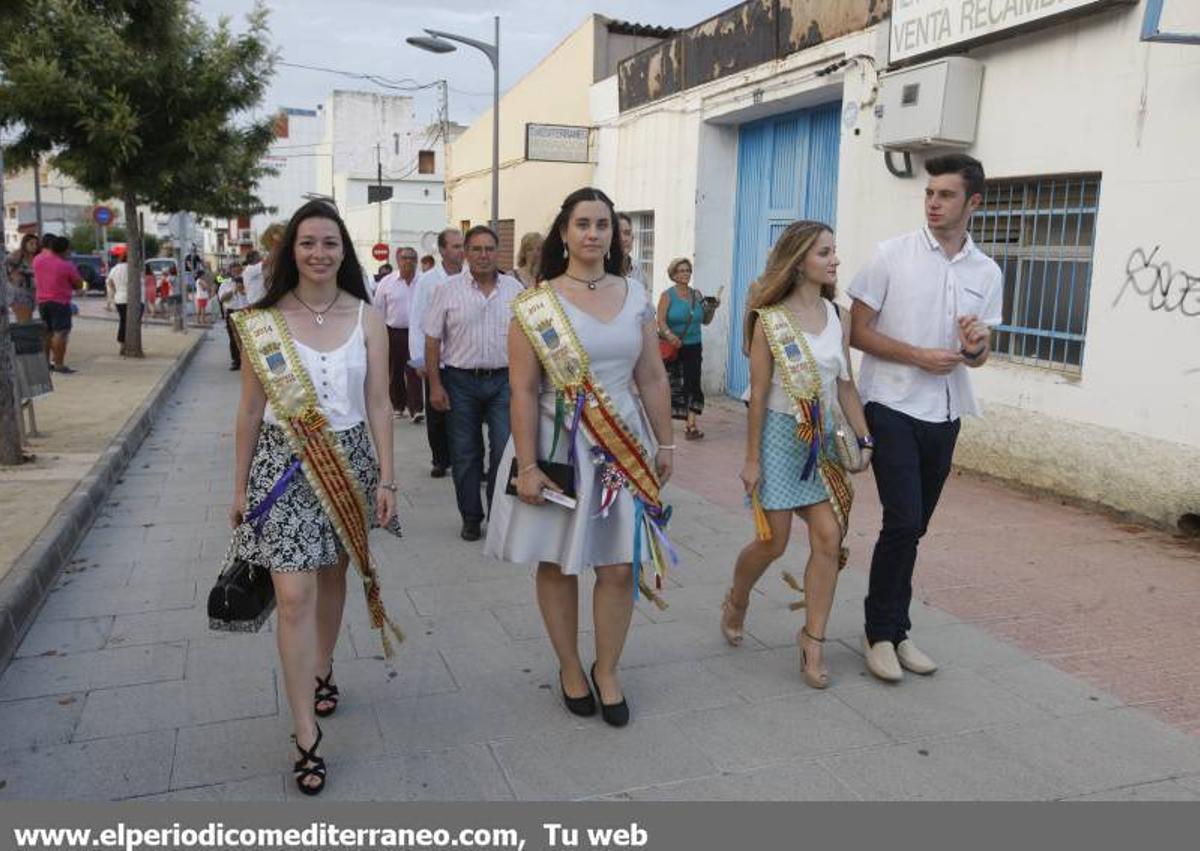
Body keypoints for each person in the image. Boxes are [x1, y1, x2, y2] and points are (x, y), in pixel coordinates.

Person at [228, 200, 402, 795]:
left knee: (333, 575)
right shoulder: (262, 321)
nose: (319, 253)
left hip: (349, 463)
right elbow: (250, 409)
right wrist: (238, 487)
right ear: (290, 251)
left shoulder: (367, 317)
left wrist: (387, 477)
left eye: (330, 243)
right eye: (308, 243)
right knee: (294, 593)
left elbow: (379, 402)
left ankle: (322, 667)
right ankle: (305, 731)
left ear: (343, 251)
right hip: (282, 465)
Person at [486, 187, 675, 728]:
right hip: (555, 444)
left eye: (603, 224)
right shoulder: (536, 303)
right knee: (558, 560)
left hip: (621, 447)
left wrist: (665, 443)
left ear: (615, 233)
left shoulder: (635, 293)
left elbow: (652, 376)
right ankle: (570, 666)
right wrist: (525, 465)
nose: (593, 233)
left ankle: (607, 668)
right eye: (582, 224)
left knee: (618, 566)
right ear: (564, 233)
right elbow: (521, 390)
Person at [848, 153, 1001, 683]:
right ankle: (878, 634)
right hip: (890, 404)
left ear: (972, 202)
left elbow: (980, 354)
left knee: (914, 528)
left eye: (946, 195)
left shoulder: (987, 270)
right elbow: (857, 332)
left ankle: (898, 628)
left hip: (946, 411)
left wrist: (974, 346)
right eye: (930, 194)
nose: (934, 203)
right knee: (904, 520)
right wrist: (917, 355)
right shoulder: (891, 256)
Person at [722, 221, 872, 688]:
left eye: (834, 251)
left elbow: (845, 383)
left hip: (821, 442)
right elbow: (760, 394)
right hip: (778, 437)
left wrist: (864, 438)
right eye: (825, 252)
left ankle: (813, 640)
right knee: (775, 541)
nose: (834, 260)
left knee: (829, 537)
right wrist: (751, 460)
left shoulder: (839, 316)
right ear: (800, 260)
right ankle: (738, 597)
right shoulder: (771, 319)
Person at [423, 226, 522, 541]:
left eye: (489, 249)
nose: (483, 255)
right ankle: (470, 515)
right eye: (476, 249)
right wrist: (435, 386)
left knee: (505, 448)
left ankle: (498, 514)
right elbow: (432, 340)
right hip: (460, 381)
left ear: (498, 252)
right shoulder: (447, 289)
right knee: (465, 453)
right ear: (465, 253)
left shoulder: (514, 289)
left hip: (504, 381)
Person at [408, 229, 463, 478]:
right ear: (442, 250)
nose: (460, 251)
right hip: (436, 357)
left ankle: (465, 459)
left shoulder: (470, 277)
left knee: (463, 413)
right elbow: (417, 318)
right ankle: (440, 459)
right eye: (455, 246)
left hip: (462, 357)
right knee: (437, 412)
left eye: (463, 245)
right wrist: (419, 358)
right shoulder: (428, 281)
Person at [656, 257, 712, 440]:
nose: (685, 274)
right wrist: (670, 336)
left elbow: (705, 320)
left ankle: (691, 425)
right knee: (673, 387)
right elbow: (660, 321)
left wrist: (712, 309)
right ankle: (663, 423)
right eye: (681, 271)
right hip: (672, 348)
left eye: (687, 270)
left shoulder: (696, 295)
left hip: (693, 346)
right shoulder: (667, 295)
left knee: (693, 383)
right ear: (673, 274)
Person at [374, 247, 424, 423]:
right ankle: (398, 405)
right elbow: (378, 309)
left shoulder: (423, 281)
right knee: (395, 370)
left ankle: (416, 408)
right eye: (404, 258)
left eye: (412, 258)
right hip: (394, 331)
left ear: (416, 261)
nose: (408, 261)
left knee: (415, 370)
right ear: (398, 260)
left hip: (417, 332)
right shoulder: (387, 282)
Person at [32, 234, 80, 373]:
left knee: (46, 332)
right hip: (60, 302)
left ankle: (45, 363)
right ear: (64, 249)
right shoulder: (66, 265)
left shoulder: (37, 260)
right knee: (60, 333)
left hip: (42, 301)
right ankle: (59, 364)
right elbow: (78, 284)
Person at [218, 261, 248, 370]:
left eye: (238, 269)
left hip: (246, 311)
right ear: (230, 271)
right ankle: (236, 361)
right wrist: (233, 291)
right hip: (232, 311)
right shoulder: (225, 283)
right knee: (233, 337)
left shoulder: (247, 281)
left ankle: (250, 362)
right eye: (233, 269)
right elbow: (222, 298)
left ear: (241, 270)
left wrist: (243, 289)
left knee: (248, 337)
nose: (235, 271)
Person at [6, 233, 40, 323]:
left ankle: (23, 336)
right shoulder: (17, 255)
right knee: (24, 321)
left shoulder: (37, 258)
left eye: (36, 244)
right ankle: (21, 336)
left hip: (32, 292)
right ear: (24, 244)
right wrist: (12, 277)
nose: (35, 246)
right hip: (19, 293)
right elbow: (5, 268)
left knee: (28, 319)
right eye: (31, 244)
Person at [107, 246, 134, 351]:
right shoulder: (132, 268)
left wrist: (115, 290)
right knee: (131, 322)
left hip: (119, 298)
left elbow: (109, 282)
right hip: (131, 298)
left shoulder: (115, 268)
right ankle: (128, 343)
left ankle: (122, 343)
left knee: (123, 321)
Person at [616, 212, 647, 294]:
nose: (623, 239)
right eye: (617, 234)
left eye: (627, 233)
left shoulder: (638, 270)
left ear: (632, 238)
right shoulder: (599, 271)